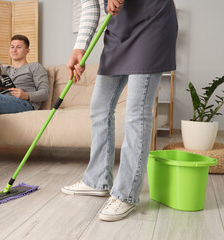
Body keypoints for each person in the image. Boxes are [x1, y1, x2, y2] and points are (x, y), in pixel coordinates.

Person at [62, 0, 178, 222]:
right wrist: (80, 48)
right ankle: (97, 180)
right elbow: (91, 6)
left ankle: (126, 194)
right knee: (100, 106)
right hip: (118, 29)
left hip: (151, 21)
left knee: (137, 112)